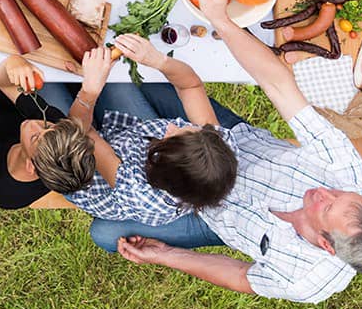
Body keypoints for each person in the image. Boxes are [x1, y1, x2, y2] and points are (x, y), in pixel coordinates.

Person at [116, 0, 362, 303]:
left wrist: (167, 255)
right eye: (341, 194)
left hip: (204, 209)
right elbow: (277, 83)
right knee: (122, 80)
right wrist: (220, 19)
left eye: (327, 204)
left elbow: (242, 276)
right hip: (220, 140)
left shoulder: (304, 280)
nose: (326, 190)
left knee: (105, 234)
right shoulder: (342, 167)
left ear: (326, 244)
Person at [34, 39, 238, 251]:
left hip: (80, 163)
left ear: (156, 162)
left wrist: (90, 90)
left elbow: (82, 132)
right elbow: (190, 86)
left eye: (172, 135)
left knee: (45, 81)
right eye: (187, 128)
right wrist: (158, 61)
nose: (170, 126)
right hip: (125, 134)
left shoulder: (138, 189)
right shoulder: (216, 145)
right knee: (113, 75)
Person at [0, 57, 97, 210]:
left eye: (34, 137)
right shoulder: (55, 132)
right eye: (47, 125)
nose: (35, 124)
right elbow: (4, 83)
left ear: (31, 167)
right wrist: (13, 63)